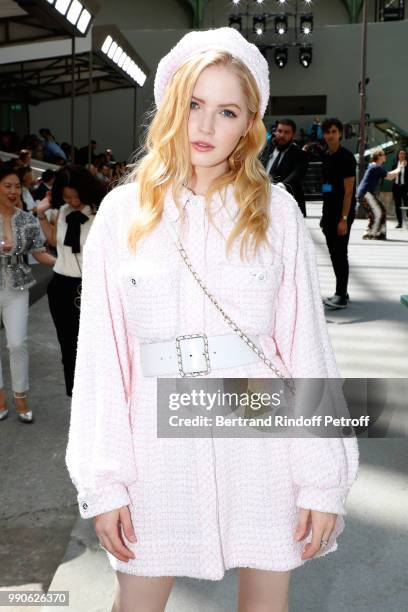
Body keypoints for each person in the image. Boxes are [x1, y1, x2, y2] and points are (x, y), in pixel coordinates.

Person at [65, 28, 359, 612]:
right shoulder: (125, 213)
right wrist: (104, 482)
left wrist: (323, 479)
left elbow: (304, 351)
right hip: (155, 454)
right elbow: (103, 359)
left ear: (249, 124)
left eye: (225, 111)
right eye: (194, 104)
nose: (204, 127)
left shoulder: (274, 212)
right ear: (172, 102)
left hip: (263, 442)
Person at [36, 166, 103, 397]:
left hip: (92, 288)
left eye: (76, 196)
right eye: (67, 197)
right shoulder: (61, 212)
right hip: (61, 287)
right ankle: (74, 396)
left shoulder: (101, 215)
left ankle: (96, 395)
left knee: (93, 346)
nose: (73, 201)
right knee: (68, 345)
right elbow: (54, 240)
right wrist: (41, 214)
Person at [0, 166, 55, 424]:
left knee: (17, 343)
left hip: (17, 287)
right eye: (7, 186)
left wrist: (64, 264)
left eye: (16, 186)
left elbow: (39, 253)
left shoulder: (27, 220)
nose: (12, 191)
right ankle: (0, 397)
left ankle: (20, 396)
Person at [320, 118, 357, 310]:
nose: (330, 135)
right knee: (334, 254)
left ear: (340, 133)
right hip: (329, 212)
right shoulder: (327, 156)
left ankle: (341, 295)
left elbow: (349, 192)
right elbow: (327, 185)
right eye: (327, 132)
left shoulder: (346, 157)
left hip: (342, 214)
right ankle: (342, 290)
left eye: (334, 131)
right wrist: (324, 216)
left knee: (340, 254)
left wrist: (343, 219)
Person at [357, 149, 405, 240]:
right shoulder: (376, 167)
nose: (385, 156)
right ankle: (371, 233)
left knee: (380, 211)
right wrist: (400, 167)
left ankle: (379, 233)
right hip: (366, 194)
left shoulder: (374, 166)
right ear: (378, 156)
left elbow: (389, 175)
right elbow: (390, 177)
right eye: (383, 154)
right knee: (378, 212)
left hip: (364, 193)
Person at [264, 119, 309, 216]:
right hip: (263, 202)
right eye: (279, 131)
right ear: (275, 132)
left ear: (293, 135)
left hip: (287, 206)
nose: (282, 135)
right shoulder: (265, 150)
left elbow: (297, 174)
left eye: (286, 132)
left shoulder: (300, 155)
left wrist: (281, 186)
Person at [391, 150, 407, 228]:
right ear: (398, 155)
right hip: (396, 187)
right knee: (397, 205)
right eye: (400, 153)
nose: (402, 155)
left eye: (403, 154)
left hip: (405, 187)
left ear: (405, 155)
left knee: (407, 204)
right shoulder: (394, 165)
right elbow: (392, 176)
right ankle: (399, 223)